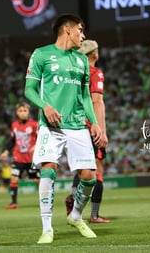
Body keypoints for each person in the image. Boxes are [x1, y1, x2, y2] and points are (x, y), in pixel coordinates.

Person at [24, 13, 107, 244]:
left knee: (90, 177)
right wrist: (45, 106)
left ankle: (76, 216)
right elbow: (29, 90)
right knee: (48, 169)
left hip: (78, 125)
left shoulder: (81, 60)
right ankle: (47, 228)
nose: (83, 35)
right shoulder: (41, 54)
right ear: (68, 30)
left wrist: (95, 124)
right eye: (81, 30)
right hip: (50, 126)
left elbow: (86, 97)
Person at [65, 40, 110, 223]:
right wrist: (102, 130)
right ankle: (94, 214)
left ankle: (72, 198)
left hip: (72, 126)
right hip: (90, 127)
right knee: (97, 170)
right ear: (95, 54)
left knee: (81, 170)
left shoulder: (74, 72)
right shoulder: (94, 73)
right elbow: (97, 102)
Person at [0, 102, 39, 209]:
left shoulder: (34, 124)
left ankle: (46, 199)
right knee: (14, 178)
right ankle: (13, 203)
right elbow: (12, 140)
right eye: (20, 111)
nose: (22, 113)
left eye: (25, 111)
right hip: (18, 158)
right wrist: (6, 152)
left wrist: (36, 146)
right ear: (17, 112)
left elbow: (42, 138)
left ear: (28, 112)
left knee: (37, 180)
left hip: (31, 159)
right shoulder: (14, 125)